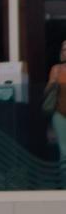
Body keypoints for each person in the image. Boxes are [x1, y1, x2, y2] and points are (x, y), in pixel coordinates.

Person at [44, 41, 66, 172]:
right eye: (64, 49)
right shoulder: (56, 69)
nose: (65, 51)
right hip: (60, 113)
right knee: (64, 150)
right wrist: (52, 83)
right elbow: (47, 93)